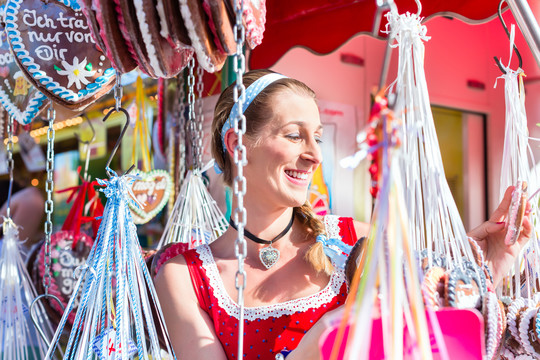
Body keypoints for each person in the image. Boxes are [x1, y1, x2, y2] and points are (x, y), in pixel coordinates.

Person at [154, 69, 531, 360]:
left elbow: (435, 328)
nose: (315, 154)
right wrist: (336, 326)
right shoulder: (185, 278)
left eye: (316, 137)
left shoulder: (359, 241)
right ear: (239, 145)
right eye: (293, 135)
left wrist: (487, 264)